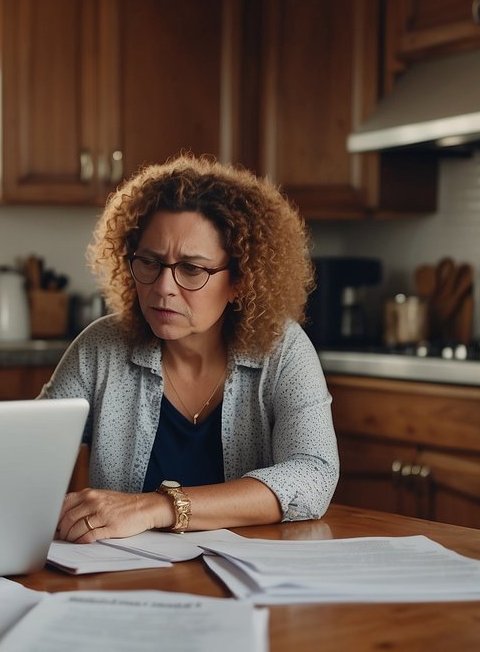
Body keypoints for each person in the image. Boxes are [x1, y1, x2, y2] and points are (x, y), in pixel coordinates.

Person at [41, 154, 339, 542]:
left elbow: (313, 475)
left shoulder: (283, 351)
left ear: (240, 281)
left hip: (247, 579)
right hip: (125, 579)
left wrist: (157, 507)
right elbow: (27, 452)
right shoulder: (101, 347)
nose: (163, 287)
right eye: (149, 262)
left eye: (191, 269)